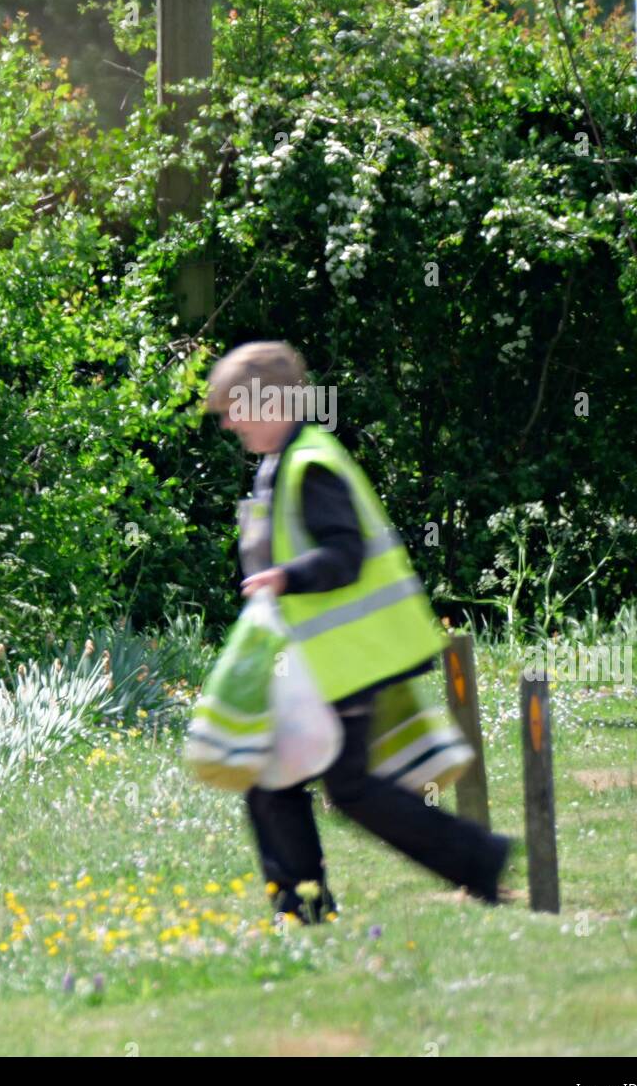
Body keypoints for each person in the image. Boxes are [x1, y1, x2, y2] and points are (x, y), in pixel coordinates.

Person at [206, 339, 513, 923]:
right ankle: (302, 906)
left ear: (267, 403)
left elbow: (345, 555)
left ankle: (476, 862)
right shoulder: (283, 463)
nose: (227, 422)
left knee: (341, 789)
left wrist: (284, 578)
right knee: (272, 781)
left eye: (232, 408)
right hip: (323, 662)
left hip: (352, 660)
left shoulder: (310, 463)